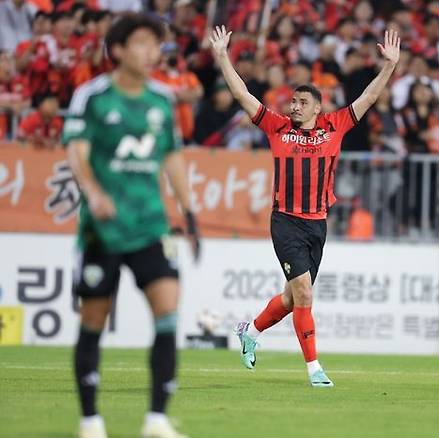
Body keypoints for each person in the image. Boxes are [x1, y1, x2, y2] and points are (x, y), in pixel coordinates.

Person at [209, 25, 400, 387]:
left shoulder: (335, 125)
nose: (293, 106)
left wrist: (388, 66)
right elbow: (241, 93)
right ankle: (315, 369)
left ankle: (249, 330)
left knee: (291, 297)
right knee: (304, 293)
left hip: (318, 223)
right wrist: (221, 56)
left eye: (301, 103)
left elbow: (370, 98)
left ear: (317, 107)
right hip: (286, 221)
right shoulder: (277, 127)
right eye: (292, 102)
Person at [63, 14, 200, 438]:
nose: (150, 52)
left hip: (150, 225)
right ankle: (90, 420)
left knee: (168, 313)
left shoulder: (162, 100)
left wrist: (189, 213)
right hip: (103, 229)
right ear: (118, 50)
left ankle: (157, 419)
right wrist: (93, 192)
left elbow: (172, 157)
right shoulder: (93, 96)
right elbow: (77, 153)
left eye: (155, 45)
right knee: (94, 320)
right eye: (141, 43)